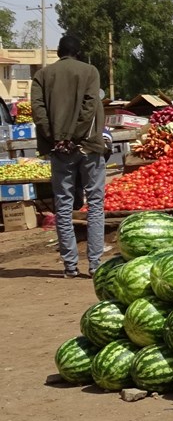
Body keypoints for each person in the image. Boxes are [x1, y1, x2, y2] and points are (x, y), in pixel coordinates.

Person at [30, 34, 106, 278]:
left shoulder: (42, 76)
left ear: (58, 52)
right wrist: (74, 135)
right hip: (88, 146)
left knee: (63, 206)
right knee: (95, 204)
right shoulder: (90, 72)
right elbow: (90, 106)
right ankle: (94, 264)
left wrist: (57, 137)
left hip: (58, 149)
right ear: (79, 53)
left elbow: (38, 111)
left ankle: (70, 265)